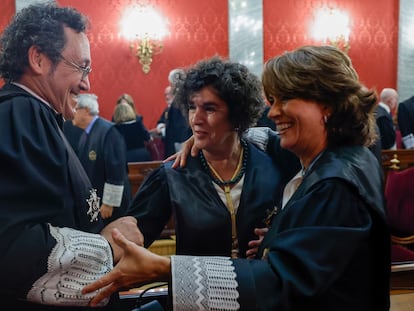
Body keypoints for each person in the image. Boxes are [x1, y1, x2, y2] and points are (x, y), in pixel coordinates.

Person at [83, 46, 391, 311]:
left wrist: (168, 269)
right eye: (192, 107)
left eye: (285, 99)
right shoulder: (349, 157)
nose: (274, 112)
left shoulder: (329, 180)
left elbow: (283, 281)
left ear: (327, 104)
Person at [0, 2, 143, 309]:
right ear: (38, 58)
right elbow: (11, 247)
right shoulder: (21, 114)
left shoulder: (35, 113)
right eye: (81, 67)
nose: (86, 83)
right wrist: (107, 246)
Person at [127, 56, 299, 258]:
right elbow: (131, 238)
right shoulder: (174, 174)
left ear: (237, 114)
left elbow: (307, 223)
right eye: (192, 107)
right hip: (195, 288)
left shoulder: (274, 161)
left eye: (209, 109)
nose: (196, 119)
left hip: (261, 287)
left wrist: (278, 238)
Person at [68, 93, 131, 224]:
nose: (72, 112)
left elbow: (116, 168)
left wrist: (109, 203)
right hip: (97, 202)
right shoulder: (87, 133)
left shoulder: (108, 132)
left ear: (85, 110)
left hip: (111, 208)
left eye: (75, 108)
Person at [156, 69, 192, 158]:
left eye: (171, 84)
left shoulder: (178, 103)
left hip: (179, 144)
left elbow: (179, 127)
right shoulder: (185, 99)